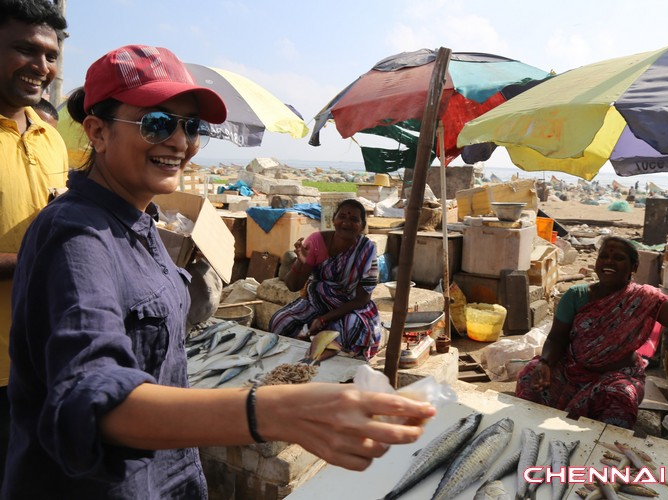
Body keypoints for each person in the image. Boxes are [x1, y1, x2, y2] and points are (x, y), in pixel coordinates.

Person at [3, 45, 434, 499]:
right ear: (98, 132)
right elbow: (94, 400)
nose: (179, 142)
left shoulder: (139, 221)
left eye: (192, 126)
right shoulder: (77, 236)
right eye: (156, 123)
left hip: (168, 475)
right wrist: (267, 412)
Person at [516, 236, 668, 429]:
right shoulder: (575, 296)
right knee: (530, 373)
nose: (609, 262)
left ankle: (602, 456)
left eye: (618, 258)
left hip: (618, 376)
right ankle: (529, 435)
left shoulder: (644, 299)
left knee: (620, 397)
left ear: (633, 267)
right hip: (572, 371)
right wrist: (545, 362)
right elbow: (556, 338)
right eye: (604, 256)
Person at [0, 0, 68, 487]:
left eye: (50, 55)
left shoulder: (50, 137)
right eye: (25, 50)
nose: (41, 67)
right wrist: (32, 257)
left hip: (46, 361)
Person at [269, 199, 381, 361]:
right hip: (317, 301)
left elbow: (362, 299)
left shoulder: (366, 249)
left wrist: (323, 319)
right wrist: (302, 263)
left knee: (351, 327)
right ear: (333, 220)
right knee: (280, 321)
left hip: (350, 307)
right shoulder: (315, 242)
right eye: (342, 217)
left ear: (362, 226)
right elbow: (293, 286)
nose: (347, 223)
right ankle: (309, 349)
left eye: (354, 220)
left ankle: (320, 352)